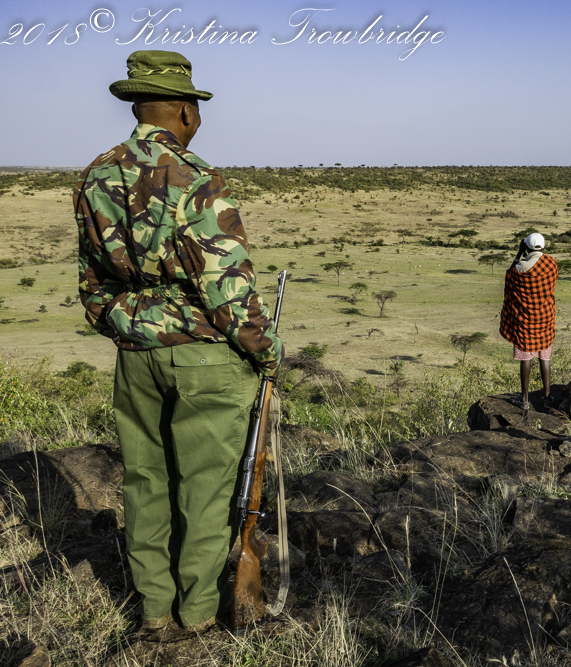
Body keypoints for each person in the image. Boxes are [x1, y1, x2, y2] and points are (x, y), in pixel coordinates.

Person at [74, 50, 283, 635]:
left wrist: (130, 326)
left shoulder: (96, 175)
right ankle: (196, 615)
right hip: (206, 355)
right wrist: (266, 352)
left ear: (136, 107)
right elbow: (226, 288)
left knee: (145, 482)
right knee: (207, 489)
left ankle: (153, 611)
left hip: (135, 355)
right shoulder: (196, 177)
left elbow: (93, 283)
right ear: (187, 112)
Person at [499, 233, 559, 408]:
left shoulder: (520, 268)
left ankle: (524, 399)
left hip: (524, 319)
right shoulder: (551, 263)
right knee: (544, 357)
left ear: (526, 246)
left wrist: (518, 253)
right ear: (543, 246)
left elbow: (509, 276)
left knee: (526, 357)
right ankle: (547, 397)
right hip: (545, 317)